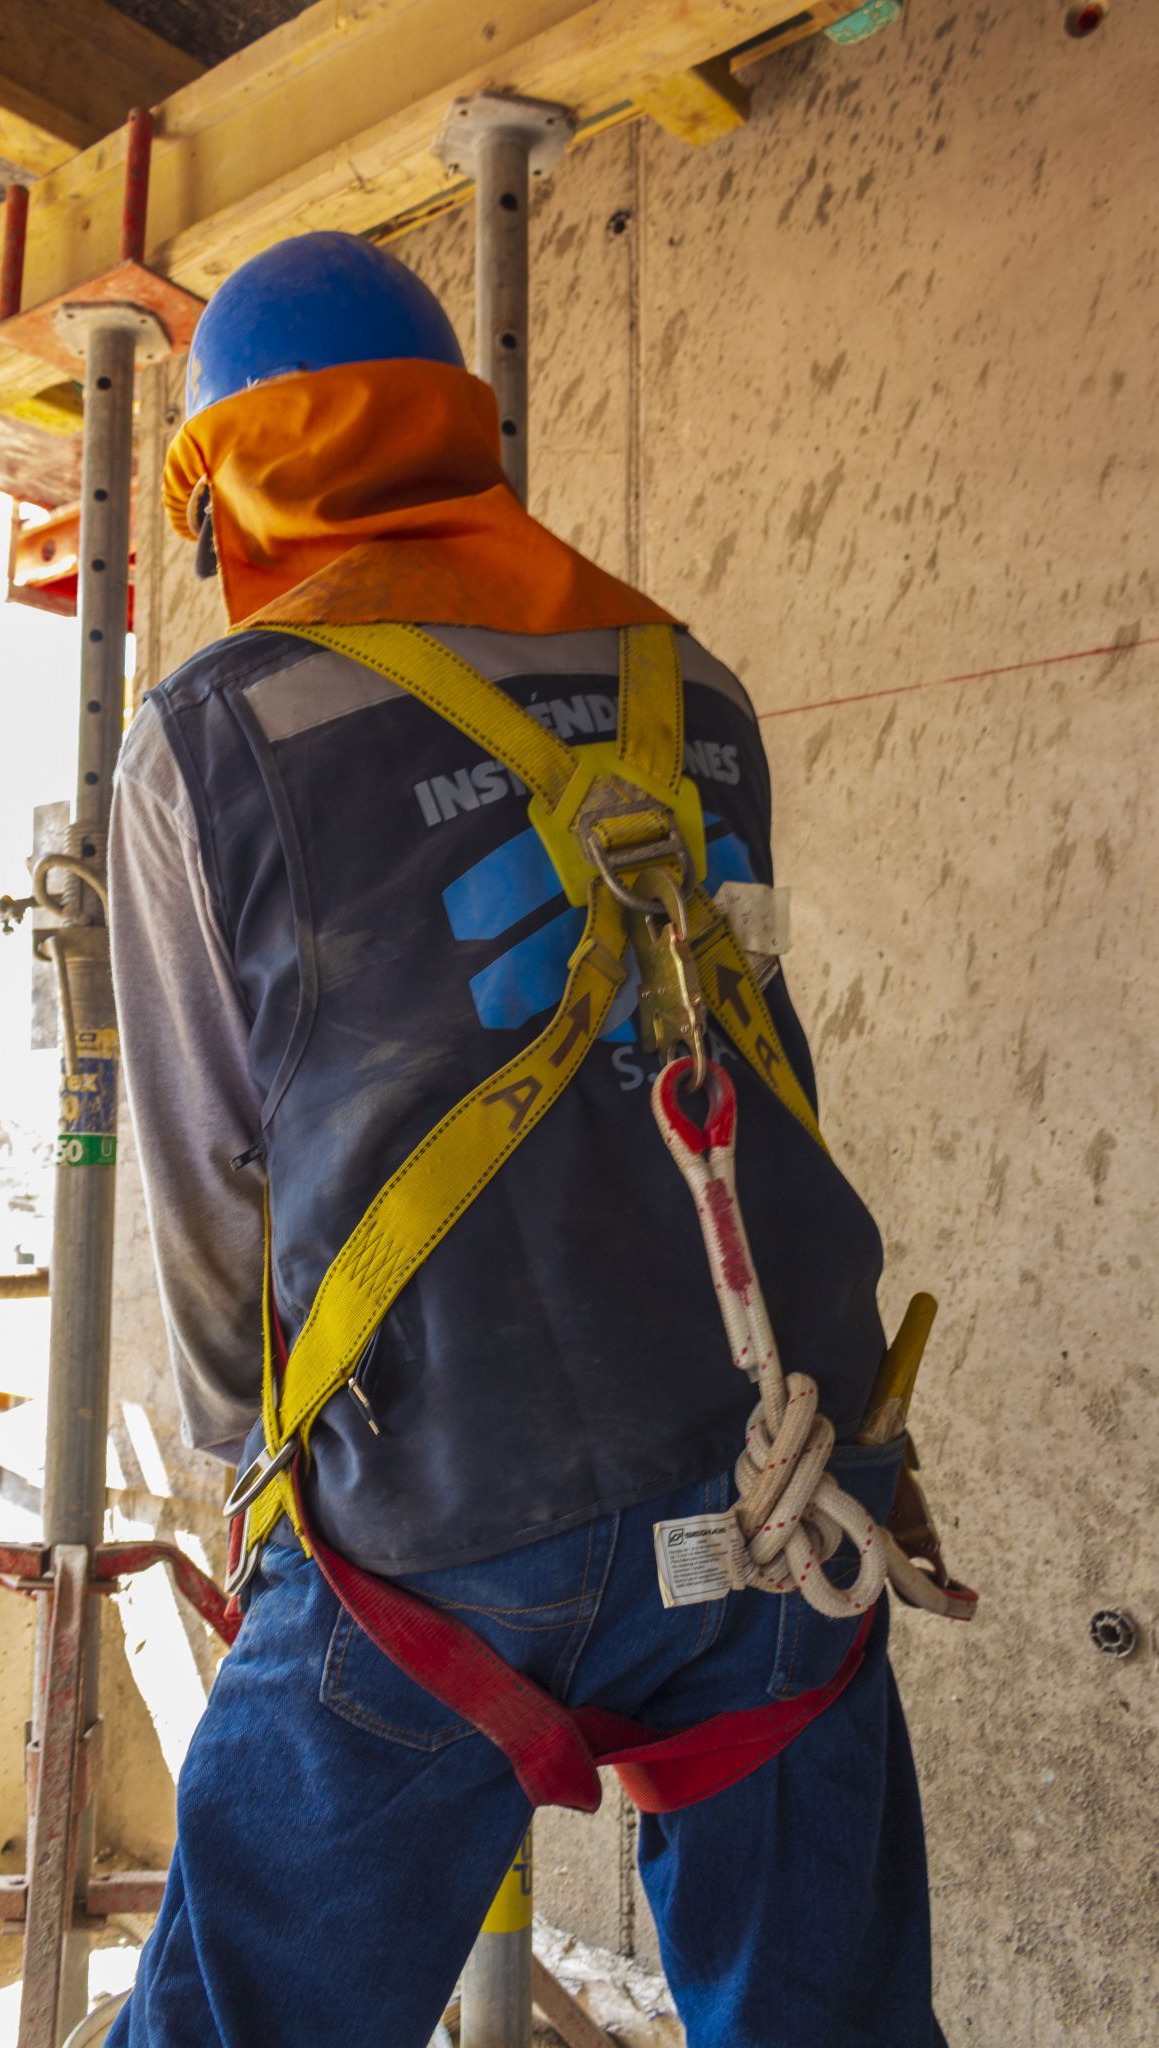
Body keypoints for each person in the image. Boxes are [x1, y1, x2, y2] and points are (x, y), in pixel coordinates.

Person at [105, 230, 946, 2047]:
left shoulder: (210, 726)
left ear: (226, 493)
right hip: (789, 1461)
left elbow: (206, 1160)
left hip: (444, 1510)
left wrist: (253, 1469)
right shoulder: (690, 680)